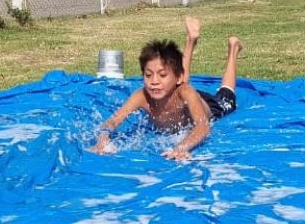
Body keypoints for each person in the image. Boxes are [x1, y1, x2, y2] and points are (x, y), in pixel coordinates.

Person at [90, 17, 243, 161]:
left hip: (208, 105)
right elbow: (113, 121)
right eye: (148, 75)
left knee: (227, 97)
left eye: (162, 75)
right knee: (180, 81)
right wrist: (102, 140)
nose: (154, 81)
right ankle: (191, 40)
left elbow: (203, 126)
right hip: (177, 89)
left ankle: (233, 49)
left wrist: (181, 147)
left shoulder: (186, 91)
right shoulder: (142, 96)